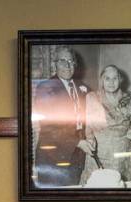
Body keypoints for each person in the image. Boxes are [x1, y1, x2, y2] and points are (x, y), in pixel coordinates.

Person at [32, 46, 88, 187]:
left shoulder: (82, 87)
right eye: (63, 61)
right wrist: (78, 142)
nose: (68, 65)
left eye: (70, 61)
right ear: (54, 64)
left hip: (76, 158)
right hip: (52, 158)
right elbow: (50, 128)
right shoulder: (46, 87)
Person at [79, 65, 131, 186]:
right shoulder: (92, 97)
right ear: (101, 80)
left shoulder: (130, 97)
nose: (111, 82)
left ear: (120, 80)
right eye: (107, 78)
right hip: (101, 151)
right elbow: (89, 124)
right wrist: (90, 139)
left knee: (124, 189)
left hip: (124, 150)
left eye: (115, 78)